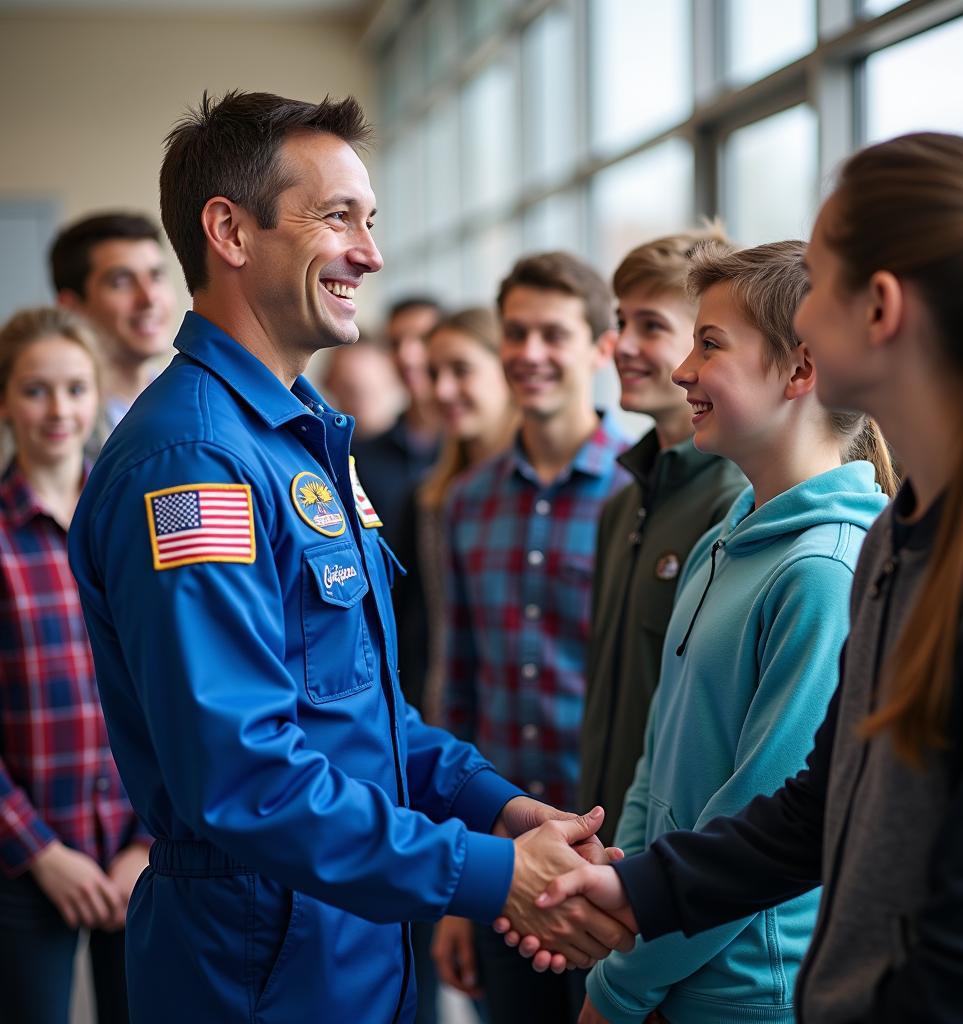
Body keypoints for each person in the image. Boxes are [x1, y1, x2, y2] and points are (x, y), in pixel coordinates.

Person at [66, 90, 634, 1024]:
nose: (370, 253)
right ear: (231, 232)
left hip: (349, 942)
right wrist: (489, 874)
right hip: (258, 962)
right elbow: (243, 775)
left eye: (370, 222)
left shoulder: (291, 441)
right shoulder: (198, 462)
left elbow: (360, 715)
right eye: (338, 218)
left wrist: (494, 808)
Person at [532, 133, 963, 1023]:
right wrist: (628, 896)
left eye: (820, 278)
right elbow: (811, 811)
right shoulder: (903, 542)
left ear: (875, 308)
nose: (801, 315)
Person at [577, 240, 893, 1024]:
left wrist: (621, 984)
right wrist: (629, 925)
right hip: (668, 961)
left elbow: (762, 826)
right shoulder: (728, 531)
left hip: (749, 990)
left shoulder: (825, 571)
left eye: (709, 344)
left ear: (799, 370)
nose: (683, 370)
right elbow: (659, 756)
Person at [439, 251, 631, 1023]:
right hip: (500, 863)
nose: (529, 354)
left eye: (553, 333)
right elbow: (456, 688)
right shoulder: (465, 500)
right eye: (515, 334)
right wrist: (456, 889)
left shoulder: (641, 491)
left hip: (616, 862)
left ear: (600, 348)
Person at [0, 306, 150, 1024]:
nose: (58, 409)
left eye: (74, 388)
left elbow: (178, 688)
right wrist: (40, 852)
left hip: (142, 852)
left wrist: (148, 841)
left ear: (97, 394)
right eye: (35, 390)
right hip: (24, 861)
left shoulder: (138, 517)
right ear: (5, 400)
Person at [578, 230, 748, 849]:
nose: (622, 346)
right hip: (608, 836)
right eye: (622, 322)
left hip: (677, 861)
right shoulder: (622, 504)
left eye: (650, 325)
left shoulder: (737, 506)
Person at [385, 307, 519, 1022]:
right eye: (432, 373)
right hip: (440, 751)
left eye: (460, 368)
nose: (440, 388)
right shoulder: (434, 498)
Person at [49, 211, 176, 436]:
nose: (149, 298)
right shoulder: (58, 426)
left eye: (156, 276)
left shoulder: (189, 399)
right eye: (121, 282)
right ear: (71, 307)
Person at [350, 296, 444, 540]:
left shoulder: (477, 451)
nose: (407, 356)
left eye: (422, 339)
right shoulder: (360, 459)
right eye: (395, 343)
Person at [321, 333, 406, 441]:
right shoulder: (324, 442)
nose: (358, 399)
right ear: (329, 383)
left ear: (392, 377)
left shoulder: (417, 440)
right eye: (348, 390)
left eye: (369, 391)